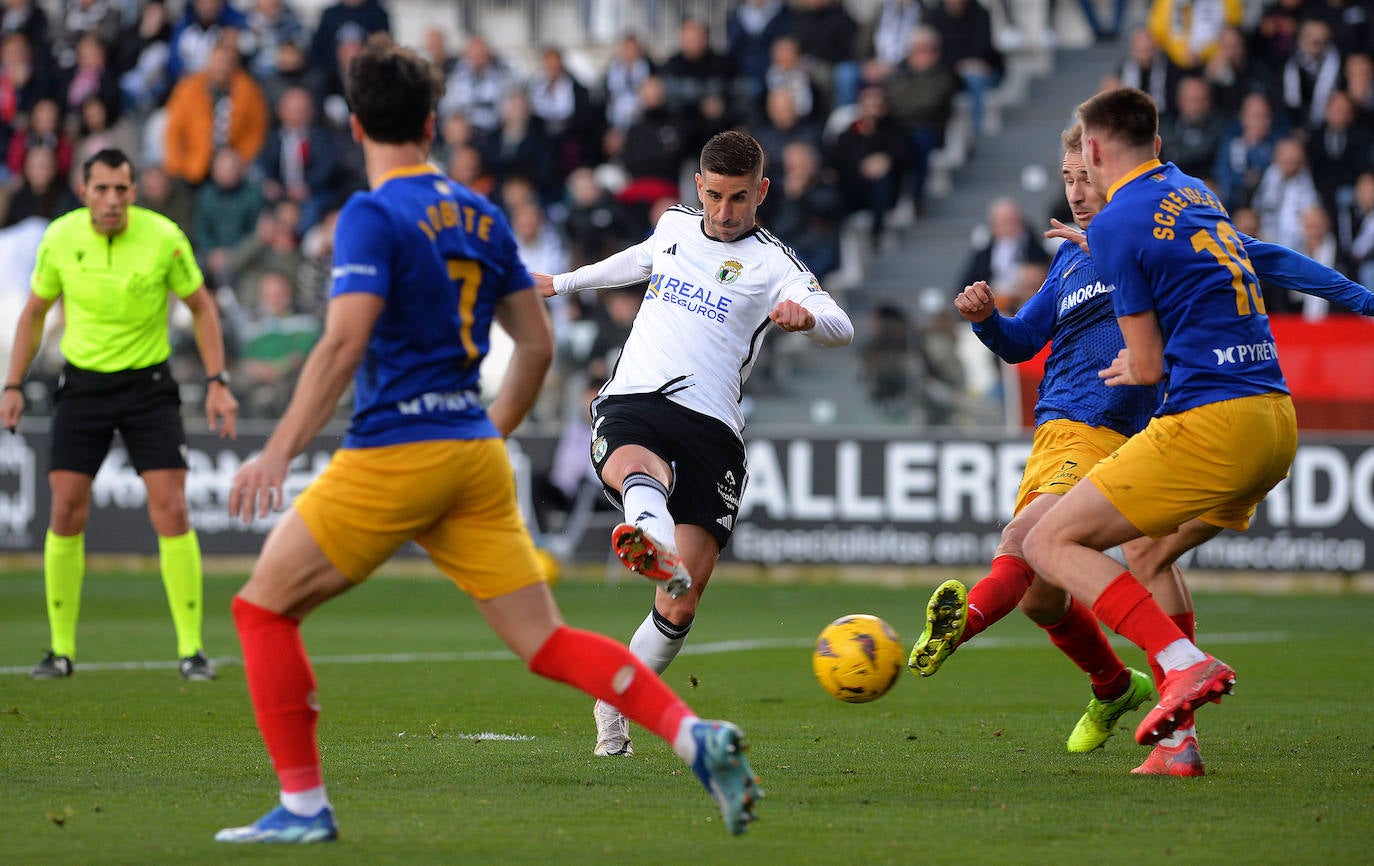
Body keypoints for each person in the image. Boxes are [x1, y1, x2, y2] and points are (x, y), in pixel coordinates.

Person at [214, 38, 762, 844]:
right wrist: (483, 436)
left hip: (394, 449)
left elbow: (339, 346)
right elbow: (536, 347)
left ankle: (303, 807)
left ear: (358, 128)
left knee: (262, 610)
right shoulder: (479, 213)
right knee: (545, 641)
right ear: (433, 123)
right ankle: (692, 735)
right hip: (471, 450)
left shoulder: (371, 213)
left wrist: (278, 450)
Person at [908, 121, 1374, 775]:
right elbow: (1022, 343)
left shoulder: (1154, 230)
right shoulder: (1072, 257)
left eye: (1084, 176)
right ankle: (1124, 695)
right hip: (1059, 432)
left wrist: (1360, 298)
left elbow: (1263, 256)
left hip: (1126, 432)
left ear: (1111, 171)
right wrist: (987, 321)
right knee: (1057, 588)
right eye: (1066, 178)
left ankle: (968, 621)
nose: (1074, 189)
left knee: (1028, 542)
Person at [534, 129, 854, 758]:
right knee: (633, 465)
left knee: (681, 600)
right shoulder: (676, 225)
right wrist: (563, 282)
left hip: (713, 428)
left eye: (738, 198)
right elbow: (638, 258)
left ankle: (614, 700)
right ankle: (649, 535)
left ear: (761, 192)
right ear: (697, 188)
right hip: (638, 398)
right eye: (712, 196)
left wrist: (806, 317)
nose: (724, 212)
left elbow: (840, 325)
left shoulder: (773, 263)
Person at [1, 147, 239, 681]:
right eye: (101, 189)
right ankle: (60, 651)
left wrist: (218, 382)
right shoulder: (60, 238)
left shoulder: (163, 237)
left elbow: (202, 306)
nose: (112, 200)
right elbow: (34, 313)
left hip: (148, 387)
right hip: (82, 386)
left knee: (172, 511)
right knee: (65, 510)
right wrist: (13, 383)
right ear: (84, 191)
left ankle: (192, 650)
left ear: (134, 191)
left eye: (121, 189)